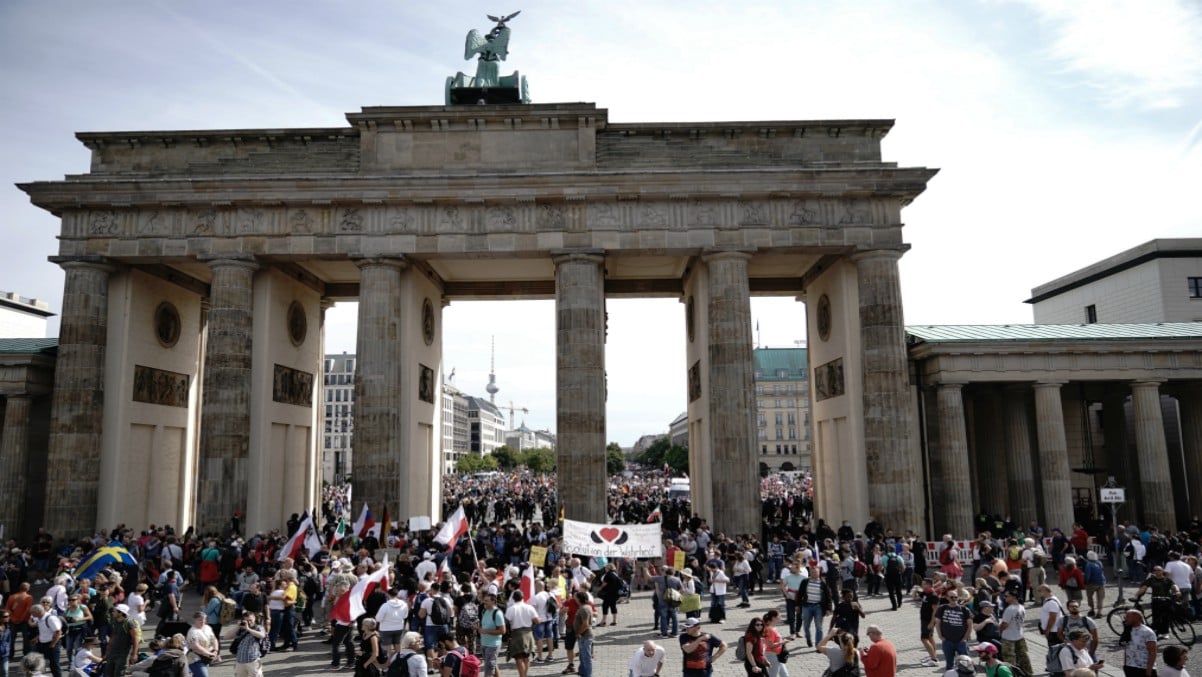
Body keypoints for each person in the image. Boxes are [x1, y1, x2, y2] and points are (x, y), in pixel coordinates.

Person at [931, 589, 971, 671]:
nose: (954, 599)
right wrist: (940, 636)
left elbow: (970, 625)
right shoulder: (942, 608)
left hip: (961, 641)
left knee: (965, 664)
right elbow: (938, 623)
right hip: (947, 641)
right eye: (952, 597)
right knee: (949, 665)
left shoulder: (964, 609)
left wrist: (964, 638)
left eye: (955, 597)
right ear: (947, 598)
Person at [997, 589, 1033, 677]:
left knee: (1009, 659)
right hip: (1019, 636)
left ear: (1013, 597)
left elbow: (1004, 624)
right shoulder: (1021, 607)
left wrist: (999, 631)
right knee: (1023, 656)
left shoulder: (1009, 609)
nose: (1004, 598)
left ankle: (1011, 675)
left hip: (1008, 638)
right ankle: (1029, 673)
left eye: (1006, 596)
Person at [504, 590, 539, 677]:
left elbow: (506, 622)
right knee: (526, 658)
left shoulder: (511, 609)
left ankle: (522, 676)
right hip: (528, 633)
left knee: (519, 658)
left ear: (513, 599)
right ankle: (524, 675)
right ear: (523, 597)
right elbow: (537, 621)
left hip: (516, 634)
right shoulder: (529, 607)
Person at [101, 604, 140, 677]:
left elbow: (135, 639)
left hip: (123, 654)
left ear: (121, 613)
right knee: (107, 673)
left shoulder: (129, 623)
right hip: (112, 652)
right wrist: (107, 652)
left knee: (119, 673)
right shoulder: (114, 622)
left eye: (115, 611)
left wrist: (134, 654)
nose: (113, 613)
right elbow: (112, 637)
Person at [376, 588, 410, 663]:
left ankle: (389, 664)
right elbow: (405, 616)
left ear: (388, 595)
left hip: (385, 629)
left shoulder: (385, 605)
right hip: (399, 627)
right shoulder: (404, 604)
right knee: (398, 645)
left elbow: (378, 618)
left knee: (388, 649)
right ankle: (399, 662)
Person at [231, 611, 267, 677]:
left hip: (253, 661)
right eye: (247, 620)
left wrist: (248, 629)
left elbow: (262, 635)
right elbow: (226, 637)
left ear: (254, 619)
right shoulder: (241, 629)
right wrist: (237, 626)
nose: (249, 622)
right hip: (240, 661)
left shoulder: (258, 628)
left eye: (250, 620)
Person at [31, 602, 63, 677]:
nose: (32, 615)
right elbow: (43, 631)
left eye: (33, 613)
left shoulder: (50, 618)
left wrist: (53, 644)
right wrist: (36, 638)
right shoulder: (39, 619)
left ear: (38, 612)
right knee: (36, 662)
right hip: (42, 644)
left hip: (51, 644)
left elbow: (58, 632)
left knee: (54, 665)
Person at [1122, 609, 1157, 677]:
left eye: (1128, 617)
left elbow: (1152, 652)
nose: (1125, 618)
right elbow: (1126, 647)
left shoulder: (1147, 632)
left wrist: (1149, 671)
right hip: (1130, 667)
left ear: (1136, 618)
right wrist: (1125, 665)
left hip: (1143, 668)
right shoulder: (1128, 630)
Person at [477, 593, 505, 677]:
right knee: (493, 665)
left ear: (493, 601)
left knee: (488, 670)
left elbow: (502, 631)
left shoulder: (497, 613)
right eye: (484, 600)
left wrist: (485, 631)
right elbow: (485, 626)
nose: (484, 602)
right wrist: (478, 628)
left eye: (486, 601)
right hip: (484, 643)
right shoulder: (485, 611)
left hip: (493, 645)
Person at [186, 612, 220, 677]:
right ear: (195, 620)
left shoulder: (208, 628)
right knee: (203, 676)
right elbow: (195, 646)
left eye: (204, 619)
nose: (203, 621)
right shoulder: (193, 631)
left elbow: (214, 639)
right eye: (200, 620)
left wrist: (215, 650)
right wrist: (209, 653)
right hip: (195, 659)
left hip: (206, 658)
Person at [571, 592, 595, 677]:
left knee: (586, 658)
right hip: (583, 636)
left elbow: (585, 624)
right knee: (583, 657)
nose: (574, 599)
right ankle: (583, 673)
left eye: (576, 597)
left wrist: (578, 632)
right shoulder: (585, 607)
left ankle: (587, 675)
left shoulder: (584, 609)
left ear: (579, 599)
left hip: (585, 636)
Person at [761, 610, 791, 677]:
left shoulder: (773, 628)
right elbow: (770, 645)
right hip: (772, 656)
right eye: (779, 616)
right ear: (774, 618)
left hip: (778, 655)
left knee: (785, 675)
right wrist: (782, 642)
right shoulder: (770, 630)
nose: (780, 617)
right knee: (772, 675)